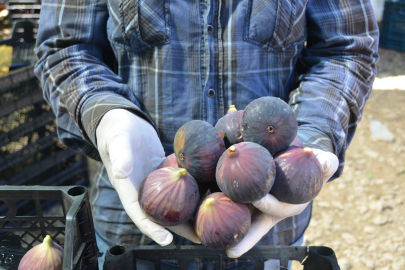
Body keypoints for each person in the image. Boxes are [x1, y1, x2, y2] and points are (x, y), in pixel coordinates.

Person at [34, 0, 379, 269]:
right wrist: (107, 115)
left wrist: (311, 138)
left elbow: (346, 49)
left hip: (268, 222)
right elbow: (67, 49)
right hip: (134, 212)